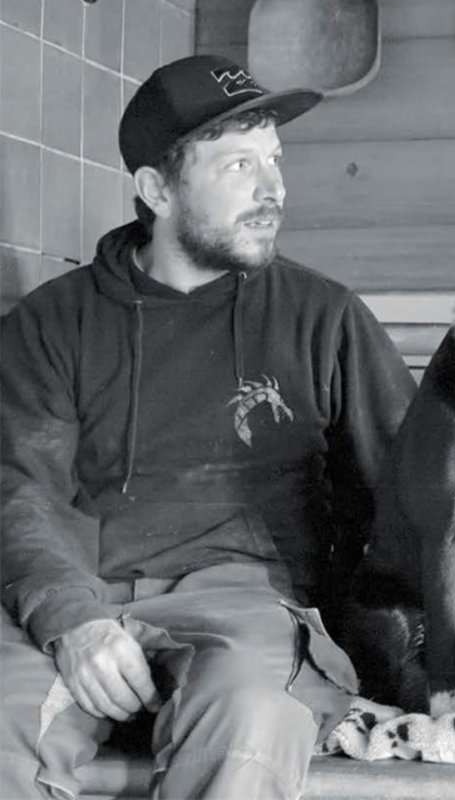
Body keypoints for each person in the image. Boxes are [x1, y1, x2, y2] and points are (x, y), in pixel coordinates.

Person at [0, 54, 416, 799]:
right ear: (157, 189)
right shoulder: (52, 323)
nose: (274, 189)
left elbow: (408, 494)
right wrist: (73, 619)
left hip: (247, 609)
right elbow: (19, 491)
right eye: (237, 166)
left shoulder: (323, 319)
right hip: (80, 593)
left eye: (274, 161)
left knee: (251, 719)